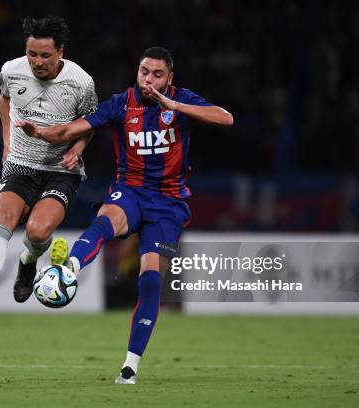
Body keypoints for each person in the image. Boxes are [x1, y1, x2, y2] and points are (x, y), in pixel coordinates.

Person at [18, 46, 233, 384]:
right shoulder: (122, 103)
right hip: (130, 190)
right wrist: (42, 133)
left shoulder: (182, 99)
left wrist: (175, 106)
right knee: (105, 221)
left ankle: (130, 367)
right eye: (144, 71)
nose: (149, 79)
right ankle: (69, 271)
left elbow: (226, 118)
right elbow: (75, 128)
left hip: (169, 202)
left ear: (170, 78)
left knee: (149, 281)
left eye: (157, 74)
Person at [0, 16, 98, 323]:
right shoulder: (11, 71)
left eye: (45, 55)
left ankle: (28, 260)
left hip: (60, 171)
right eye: (32, 54)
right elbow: (4, 99)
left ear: (60, 52)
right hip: (20, 164)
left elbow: (90, 124)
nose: (37, 62)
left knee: (37, 231)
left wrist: (77, 150)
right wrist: (7, 142)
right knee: (2, 218)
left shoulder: (81, 82)